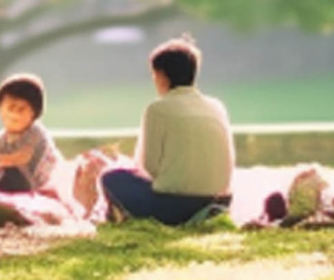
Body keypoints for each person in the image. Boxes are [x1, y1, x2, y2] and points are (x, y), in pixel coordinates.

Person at [96, 37, 234, 225]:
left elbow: (148, 168)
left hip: (175, 208)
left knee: (111, 178)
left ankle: (120, 219)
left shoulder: (158, 109)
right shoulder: (217, 106)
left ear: (161, 76)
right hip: (219, 202)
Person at [0, 74, 61, 196]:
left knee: (11, 174)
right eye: (11, 107)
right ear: (0, 109)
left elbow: (23, 157)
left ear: (34, 113)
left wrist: (2, 160)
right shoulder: (0, 139)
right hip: (15, 181)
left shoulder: (35, 133)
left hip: (39, 184)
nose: (15, 114)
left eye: (21, 109)